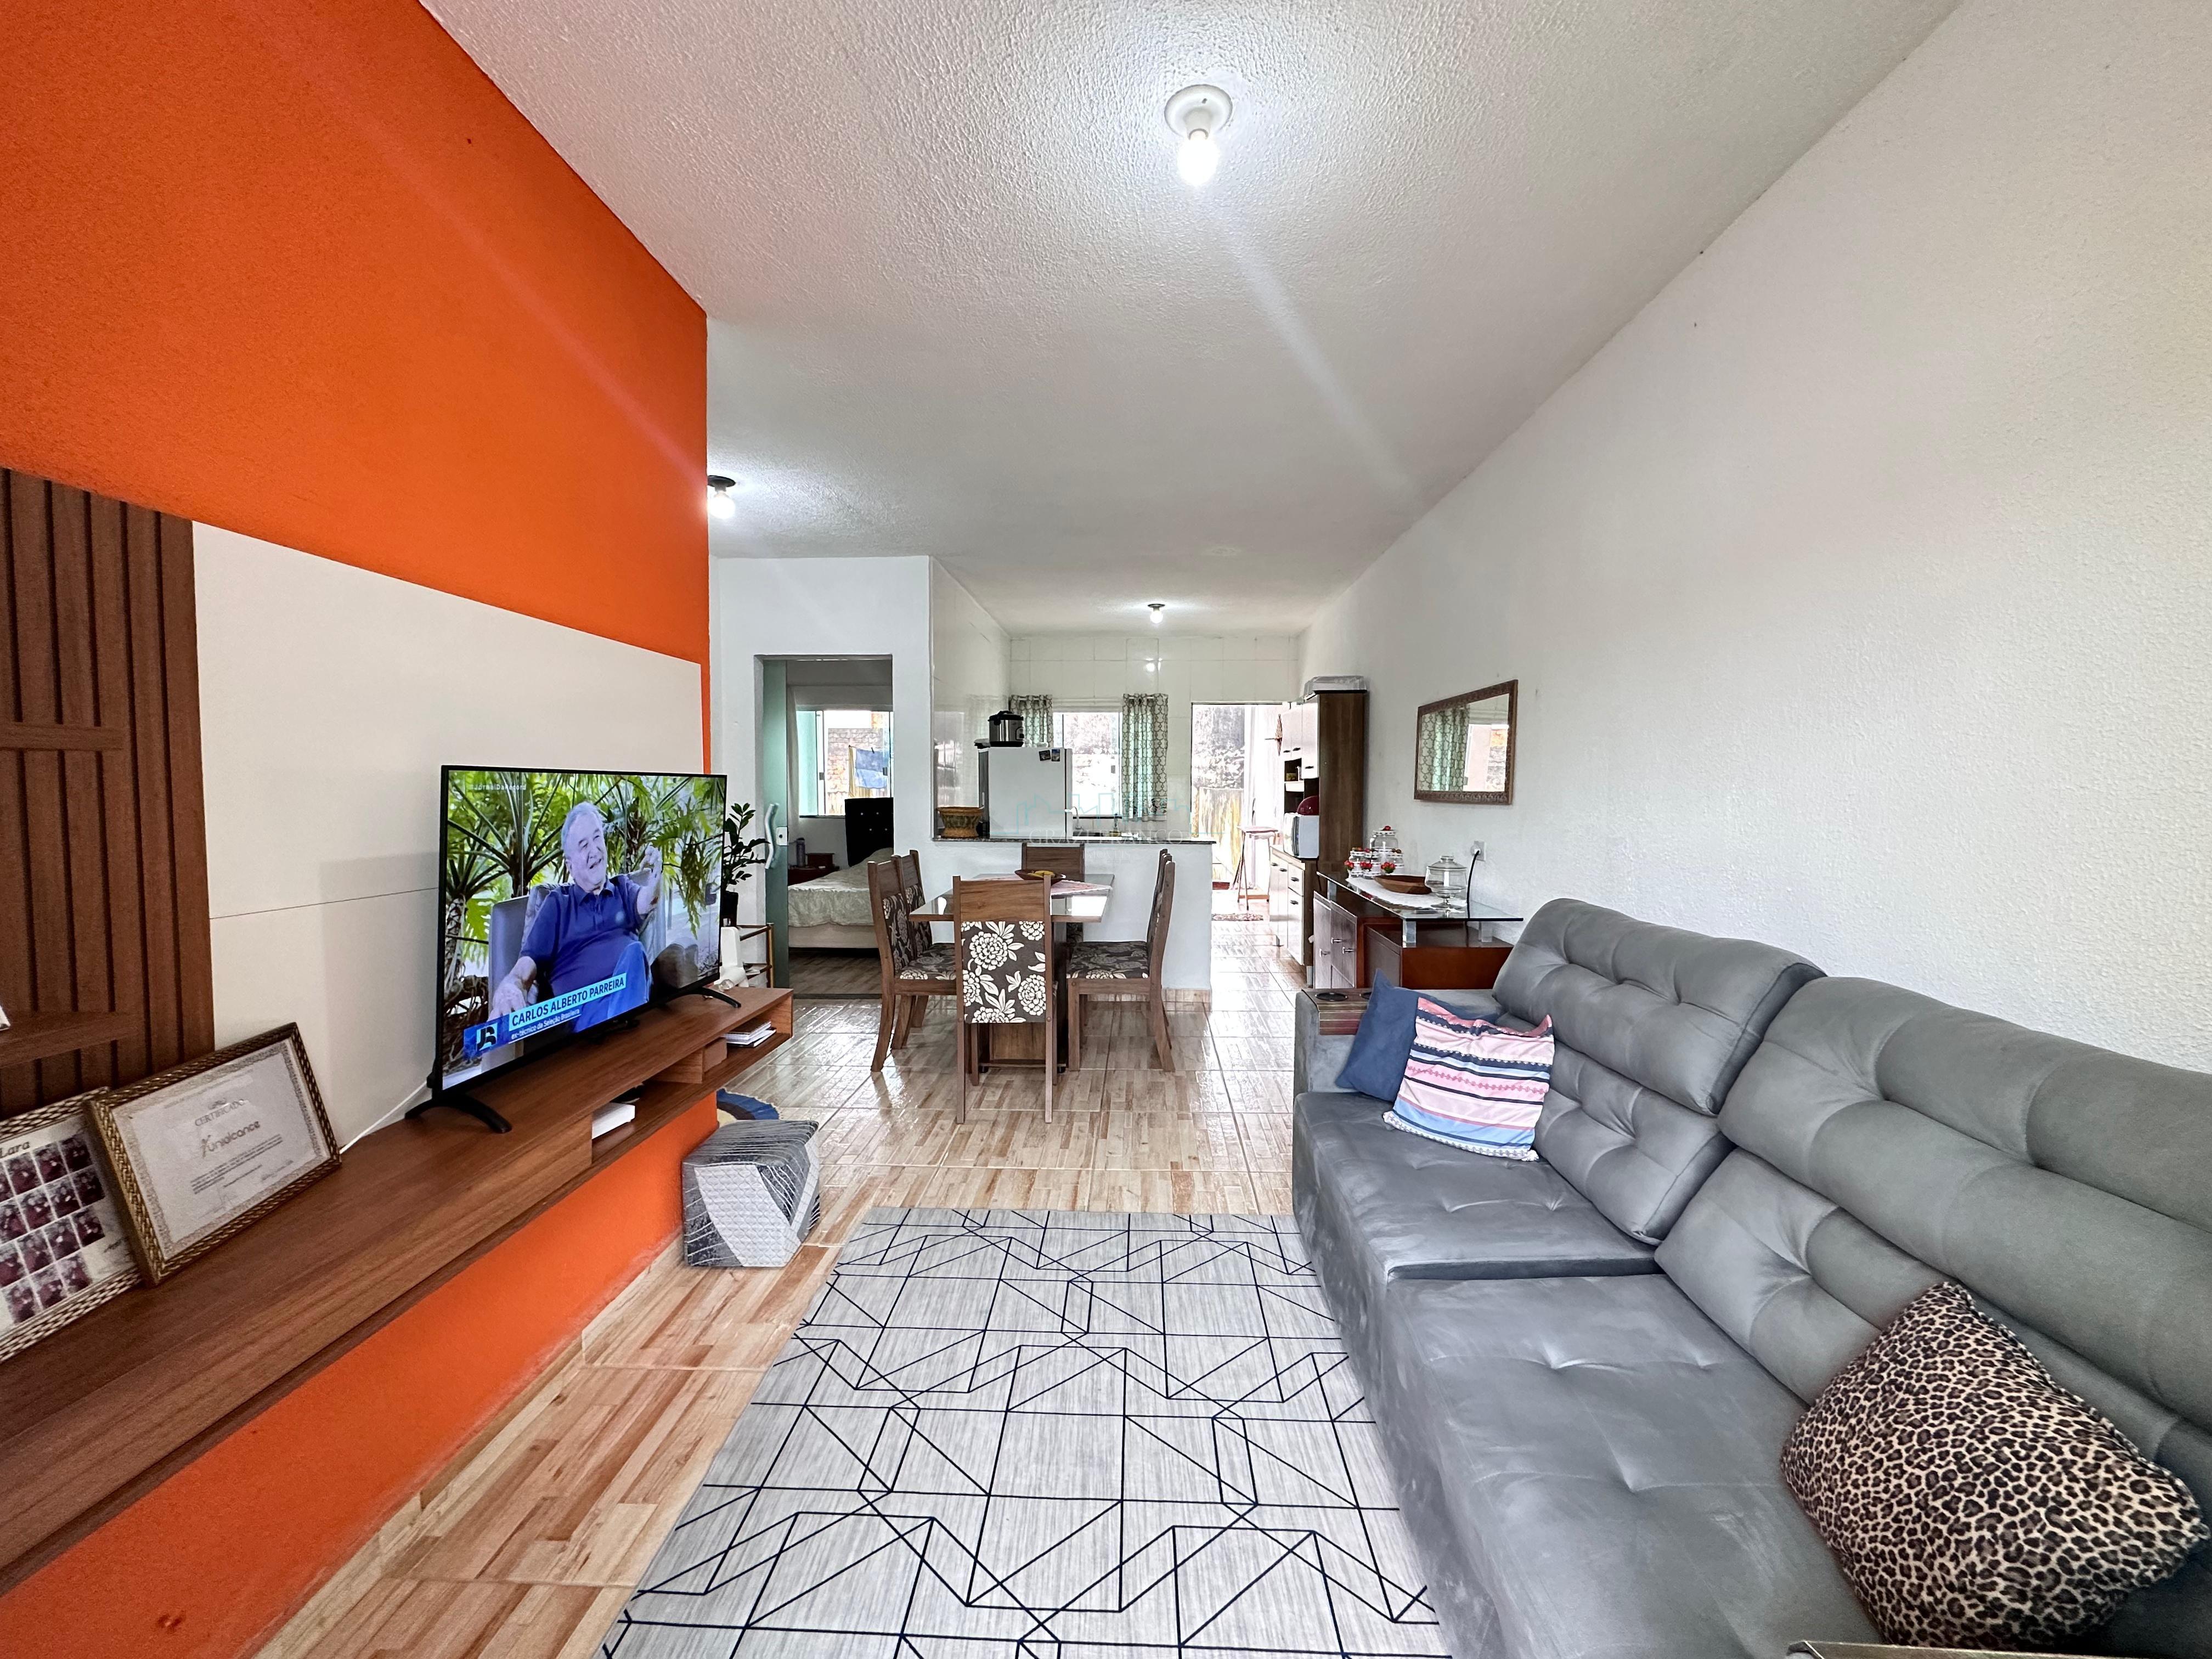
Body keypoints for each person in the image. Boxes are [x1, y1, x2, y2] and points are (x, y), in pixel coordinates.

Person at [488, 802, 661, 1034]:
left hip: (632, 995)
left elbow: (648, 900)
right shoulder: (557, 904)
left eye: (597, 838)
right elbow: (524, 969)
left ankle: (624, 1033)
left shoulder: (622, 888)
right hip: (586, 1016)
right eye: (583, 845)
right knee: (634, 955)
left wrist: (656, 878)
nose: (594, 850)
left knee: (634, 953)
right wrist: (510, 988)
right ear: (570, 866)